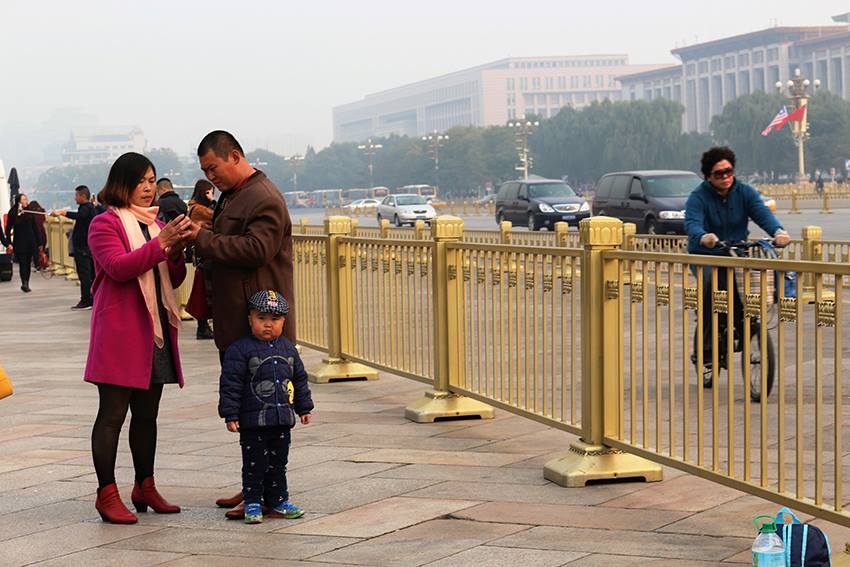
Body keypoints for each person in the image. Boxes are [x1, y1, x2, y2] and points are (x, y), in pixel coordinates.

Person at [183, 130, 295, 517]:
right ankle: (253, 486)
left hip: (261, 327)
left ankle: (267, 496)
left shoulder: (264, 197)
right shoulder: (235, 195)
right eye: (205, 171)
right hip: (239, 322)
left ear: (234, 156)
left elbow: (257, 249)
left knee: (265, 417)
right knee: (249, 415)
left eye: (213, 168)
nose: (210, 177)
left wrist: (202, 238)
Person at [85, 152, 193, 524]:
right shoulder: (104, 223)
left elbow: (172, 279)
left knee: (147, 415)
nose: (148, 188)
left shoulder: (156, 224)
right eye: (140, 181)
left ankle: (145, 486)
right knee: (112, 415)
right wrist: (161, 243)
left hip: (155, 330)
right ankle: (106, 494)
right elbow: (118, 268)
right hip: (120, 333)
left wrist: (176, 251)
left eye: (151, 180)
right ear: (122, 183)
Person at [684, 146, 790, 376]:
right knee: (712, 286)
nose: (725, 177)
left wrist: (778, 232)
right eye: (718, 174)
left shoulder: (745, 192)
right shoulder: (698, 197)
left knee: (750, 285)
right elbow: (692, 223)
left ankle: (746, 324)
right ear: (708, 176)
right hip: (706, 255)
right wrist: (703, 236)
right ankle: (707, 347)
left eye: (729, 171)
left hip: (736, 252)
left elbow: (762, 214)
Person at [219, 290, 313, 524]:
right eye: (261, 318)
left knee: (278, 464)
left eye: (275, 319)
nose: (268, 324)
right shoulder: (240, 350)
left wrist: (304, 407)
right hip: (253, 423)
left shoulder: (288, 349)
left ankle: (278, 501)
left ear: (284, 321)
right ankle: (252, 501)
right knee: (255, 464)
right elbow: (231, 384)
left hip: (281, 420)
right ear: (250, 319)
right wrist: (230, 414)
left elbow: (299, 380)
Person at [51, 186, 97, 309]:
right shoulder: (90, 208)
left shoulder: (86, 208)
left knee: (85, 275)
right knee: (89, 274)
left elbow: (80, 216)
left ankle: (86, 300)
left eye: (76, 195)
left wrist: (62, 213)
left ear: (83, 196)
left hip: (83, 248)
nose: (75, 198)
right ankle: (91, 298)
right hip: (86, 247)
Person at [187, 180, 216, 340]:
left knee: (202, 292)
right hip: (206, 253)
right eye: (209, 192)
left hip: (201, 253)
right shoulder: (200, 209)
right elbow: (219, 216)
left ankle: (203, 327)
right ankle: (203, 327)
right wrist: (213, 201)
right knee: (204, 292)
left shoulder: (193, 207)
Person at [5, 194, 45, 293]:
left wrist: (39, 243)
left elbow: (35, 228)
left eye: (26, 199)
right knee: (22, 263)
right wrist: (8, 242)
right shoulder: (13, 212)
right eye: (24, 199)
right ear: (19, 201)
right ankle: (24, 282)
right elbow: (8, 229)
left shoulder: (29, 212)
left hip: (31, 241)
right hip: (19, 241)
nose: (26, 201)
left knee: (27, 263)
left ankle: (27, 281)